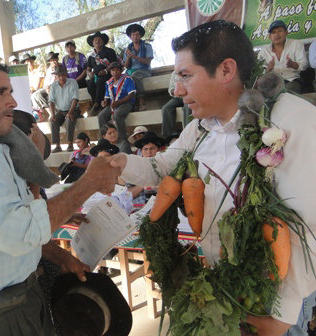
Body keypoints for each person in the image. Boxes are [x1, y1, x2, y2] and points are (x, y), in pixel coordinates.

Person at [110, 20, 316, 336]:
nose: (177, 90)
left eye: (185, 76)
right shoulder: (200, 129)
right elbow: (161, 169)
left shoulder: (290, 119)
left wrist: (281, 315)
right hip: (228, 285)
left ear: (225, 71)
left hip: (277, 303)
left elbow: (308, 222)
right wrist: (118, 162)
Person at [0, 51, 120, 336]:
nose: (12, 101)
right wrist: (89, 183)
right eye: (1, 92)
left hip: (24, 299)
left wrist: (57, 255)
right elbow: (20, 231)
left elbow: (18, 222)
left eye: (10, 91)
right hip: (0, 316)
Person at [257, 20, 308, 94]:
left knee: (286, 93)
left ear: (286, 32)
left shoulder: (296, 44)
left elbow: (304, 64)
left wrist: (293, 64)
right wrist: (268, 70)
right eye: (273, 32)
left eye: (280, 31)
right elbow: (259, 72)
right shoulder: (264, 51)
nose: (276, 35)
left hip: (291, 80)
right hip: (272, 84)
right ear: (269, 36)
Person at [98, 61, 136, 148]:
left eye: (117, 70)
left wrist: (118, 102)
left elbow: (131, 94)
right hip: (114, 104)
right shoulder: (109, 82)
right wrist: (104, 102)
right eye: (112, 71)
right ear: (110, 72)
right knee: (101, 116)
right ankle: (105, 140)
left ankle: (122, 140)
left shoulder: (127, 79)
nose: (115, 72)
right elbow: (106, 97)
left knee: (117, 114)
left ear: (121, 70)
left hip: (126, 103)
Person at [48, 65, 81, 153]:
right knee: (53, 120)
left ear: (66, 74)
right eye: (59, 75)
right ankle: (57, 146)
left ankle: (70, 144)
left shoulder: (73, 82)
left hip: (73, 109)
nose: (61, 77)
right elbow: (51, 101)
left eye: (63, 75)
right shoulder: (53, 85)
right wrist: (52, 114)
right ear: (56, 76)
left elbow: (75, 99)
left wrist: (70, 112)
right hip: (60, 111)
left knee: (70, 118)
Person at [127, 131, 165, 205]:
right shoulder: (133, 168)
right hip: (139, 208)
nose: (148, 152)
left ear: (158, 150)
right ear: (141, 151)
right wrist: (144, 184)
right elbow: (127, 195)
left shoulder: (166, 167)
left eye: (152, 149)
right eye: (145, 149)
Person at [86, 31, 118, 116]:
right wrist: (90, 74)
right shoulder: (91, 56)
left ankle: (97, 104)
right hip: (96, 76)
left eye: (99, 39)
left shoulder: (110, 51)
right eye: (95, 40)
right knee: (90, 84)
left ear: (103, 41)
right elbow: (88, 69)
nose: (97, 41)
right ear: (92, 43)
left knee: (100, 82)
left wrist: (106, 71)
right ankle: (96, 103)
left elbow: (114, 64)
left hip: (108, 75)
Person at [123, 23, 154, 111]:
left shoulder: (147, 46)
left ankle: (141, 100)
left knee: (134, 76)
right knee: (123, 79)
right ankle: (128, 103)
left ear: (140, 36)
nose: (135, 36)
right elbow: (125, 65)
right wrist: (128, 58)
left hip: (144, 70)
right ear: (130, 37)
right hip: (130, 71)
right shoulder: (128, 49)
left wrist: (134, 56)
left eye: (137, 34)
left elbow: (147, 61)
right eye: (133, 35)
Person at [161, 72, 190, 140]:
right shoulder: (174, 73)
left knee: (187, 107)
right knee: (166, 108)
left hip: (190, 95)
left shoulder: (190, 70)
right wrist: (174, 91)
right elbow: (171, 89)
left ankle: (188, 133)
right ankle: (167, 137)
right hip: (178, 97)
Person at [22, 53, 47, 121]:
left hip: (42, 89)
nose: (29, 62)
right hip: (32, 90)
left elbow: (40, 81)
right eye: (27, 61)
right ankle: (31, 115)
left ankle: (39, 113)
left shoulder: (39, 67)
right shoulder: (26, 72)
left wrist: (35, 90)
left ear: (33, 60)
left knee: (34, 95)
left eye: (30, 60)